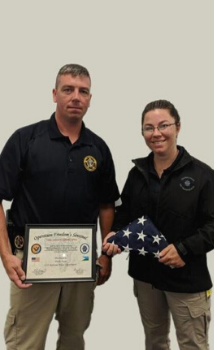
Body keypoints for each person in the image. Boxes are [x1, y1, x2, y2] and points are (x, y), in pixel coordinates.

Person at [0, 64, 120, 349]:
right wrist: (6, 255)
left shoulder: (98, 149)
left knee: (73, 338)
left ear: (90, 98)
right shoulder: (25, 140)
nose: (76, 97)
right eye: (68, 89)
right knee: (25, 342)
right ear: (55, 94)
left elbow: (107, 206)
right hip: (31, 263)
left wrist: (106, 255)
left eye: (83, 91)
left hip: (80, 263)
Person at [102, 99, 214, 349]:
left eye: (163, 125)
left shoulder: (203, 175)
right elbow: (125, 214)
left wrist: (183, 249)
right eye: (148, 128)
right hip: (145, 278)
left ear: (178, 127)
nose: (156, 133)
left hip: (187, 278)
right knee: (155, 342)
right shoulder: (136, 174)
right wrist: (116, 236)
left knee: (193, 344)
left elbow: (212, 226)